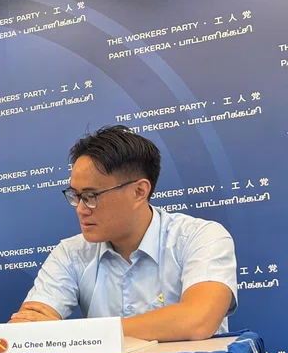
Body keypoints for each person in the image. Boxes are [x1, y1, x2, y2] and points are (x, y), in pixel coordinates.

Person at [12, 125, 237, 341]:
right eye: (76, 196)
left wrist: (74, 333)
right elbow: (26, 328)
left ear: (139, 191)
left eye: (91, 196)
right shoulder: (71, 253)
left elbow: (198, 320)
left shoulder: (200, 237)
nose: (81, 209)